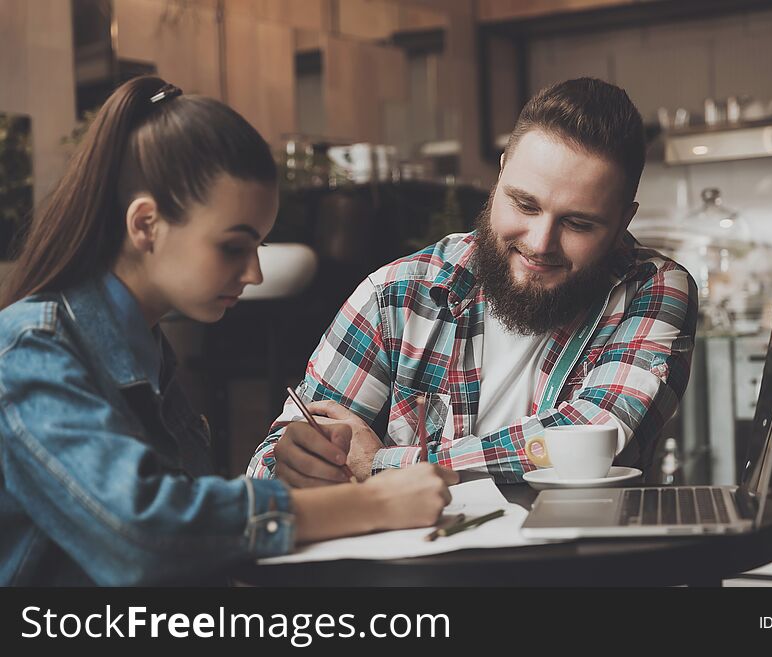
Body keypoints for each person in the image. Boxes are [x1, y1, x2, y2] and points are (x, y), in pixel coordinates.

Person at [0, 76, 457, 587]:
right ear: (145, 223)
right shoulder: (30, 350)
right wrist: (367, 503)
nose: (254, 274)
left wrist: (299, 483)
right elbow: (142, 534)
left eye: (259, 246)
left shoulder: (145, 349)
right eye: (233, 247)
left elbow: (191, 529)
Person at [249, 76, 698, 487]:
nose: (540, 243)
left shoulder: (653, 290)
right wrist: (293, 459)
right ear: (499, 175)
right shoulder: (396, 295)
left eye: (578, 224)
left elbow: (587, 442)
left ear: (623, 223)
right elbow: (272, 462)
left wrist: (382, 464)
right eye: (524, 205)